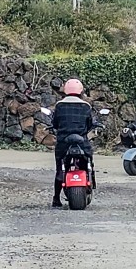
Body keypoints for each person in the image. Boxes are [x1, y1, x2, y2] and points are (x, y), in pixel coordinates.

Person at [49, 78, 97, 208]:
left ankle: (56, 199)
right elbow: (89, 124)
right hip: (81, 142)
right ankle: (91, 181)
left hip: (63, 142)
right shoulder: (86, 106)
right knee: (88, 160)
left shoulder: (59, 105)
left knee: (60, 168)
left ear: (65, 90)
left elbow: (55, 124)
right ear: (81, 91)